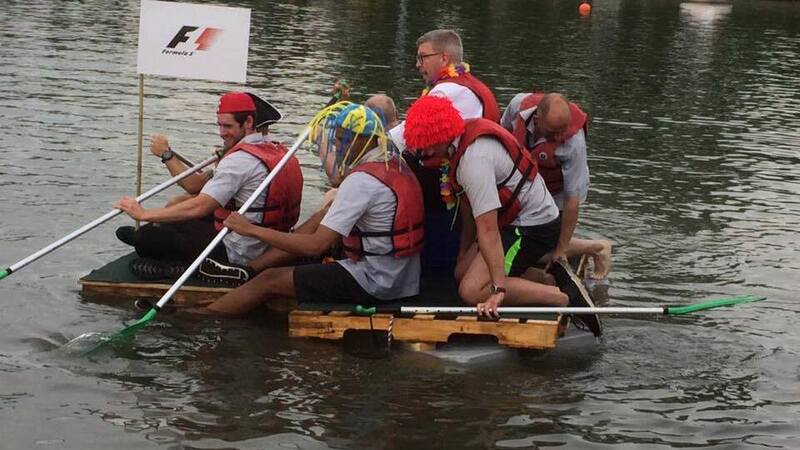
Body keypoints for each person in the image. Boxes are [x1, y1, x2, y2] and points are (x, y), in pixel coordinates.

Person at [189, 102, 424, 316]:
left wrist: (250, 230)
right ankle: (247, 270)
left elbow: (316, 245)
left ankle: (207, 318)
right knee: (323, 215)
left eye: (342, 140)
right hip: (403, 276)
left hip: (375, 280)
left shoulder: (362, 181)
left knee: (269, 280)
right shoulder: (394, 163)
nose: (337, 146)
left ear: (362, 140)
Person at [403, 95, 580, 318]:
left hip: (531, 226)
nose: (424, 153)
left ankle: (560, 297)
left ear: (441, 137)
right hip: (511, 220)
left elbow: (488, 229)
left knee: (471, 290)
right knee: (461, 271)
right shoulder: (458, 141)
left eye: (426, 146)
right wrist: (464, 251)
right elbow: (467, 206)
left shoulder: (473, 162)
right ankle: (546, 279)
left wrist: (497, 290)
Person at [113, 92, 303, 279]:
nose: (222, 133)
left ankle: (181, 267)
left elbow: (200, 206)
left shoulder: (239, 160)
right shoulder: (281, 151)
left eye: (228, 126)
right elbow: (197, 189)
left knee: (148, 238)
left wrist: (143, 214)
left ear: (248, 123)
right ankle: (158, 239)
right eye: (219, 125)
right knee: (171, 217)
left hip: (237, 251)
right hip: (270, 242)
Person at [500, 92, 612, 279]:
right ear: (537, 119)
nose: (560, 136)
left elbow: (572, 199)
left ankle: (598, 247)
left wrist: (562, 250)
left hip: (559, 189)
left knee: (546, 249)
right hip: (530, 180)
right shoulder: (518, 106)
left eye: (563, 130)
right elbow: (501, 136)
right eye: (554, 132)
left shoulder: (573, 142)